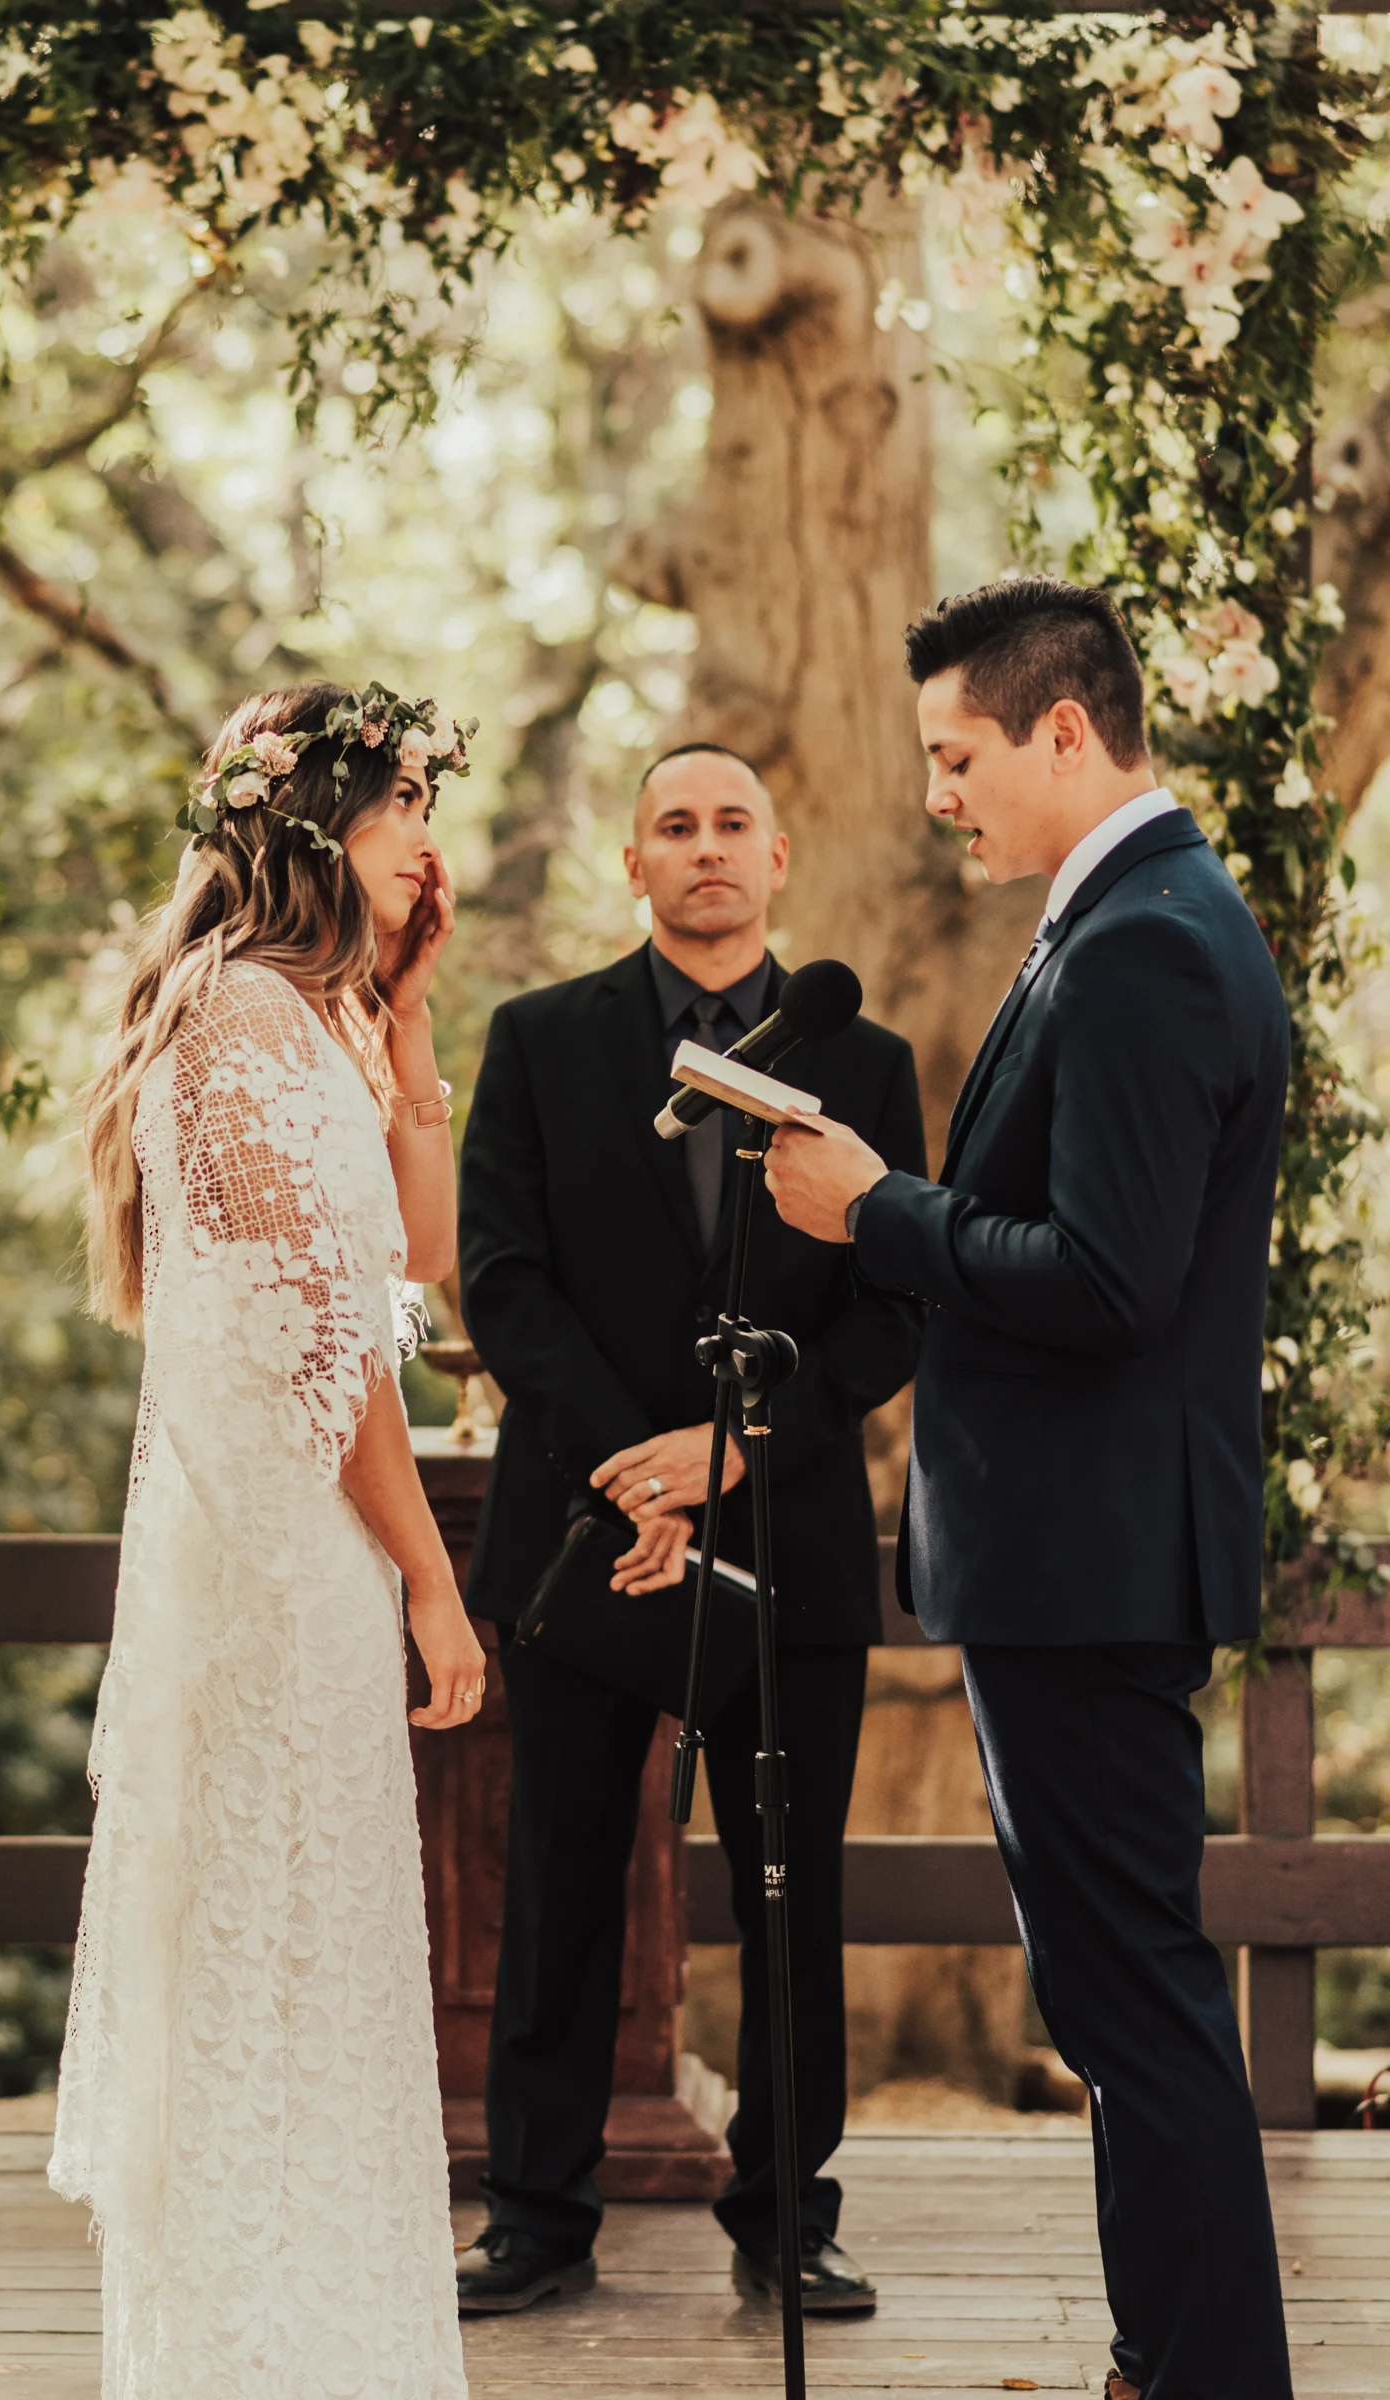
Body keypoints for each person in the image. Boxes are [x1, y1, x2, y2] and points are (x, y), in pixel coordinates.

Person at [765, 576, 1294, 2400]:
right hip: (1076, 1561)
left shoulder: (1148, 942)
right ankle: (1172, 2363)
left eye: (958, 752)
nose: (939, 792)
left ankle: (1202, 2380)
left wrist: (876, 1210)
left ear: (1066, 730)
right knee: (1120, 2005)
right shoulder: (1129, 917)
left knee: (1137, 2012)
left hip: (1085, 1567)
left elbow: (1107, 1279)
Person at [50, 680, 485, 2399]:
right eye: (402, 811)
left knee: (325, 1976)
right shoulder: (233, 1021)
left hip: (314, 1565)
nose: (426, 844)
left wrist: (415, 1011)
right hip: (279, 1572)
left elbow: (418, 1264)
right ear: (315, 828)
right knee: (270, 1966)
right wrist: (437, 1587)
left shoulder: (316, 1020)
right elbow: (331, 1353)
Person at [455, 745, 926, 2317]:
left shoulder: (866, 1062)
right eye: (676, 826)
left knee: (792, 1896)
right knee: (563, 1876)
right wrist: (635, 1469)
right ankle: (535, 2214)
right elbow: (504, 1284)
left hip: (786, 1533)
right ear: (636, 865)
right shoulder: (538, 1042)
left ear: (779, 859)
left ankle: (787, 2216)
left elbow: (896, 1302)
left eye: (733, 826)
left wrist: (734, 1451)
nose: (706, 849)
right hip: (591, 1533)